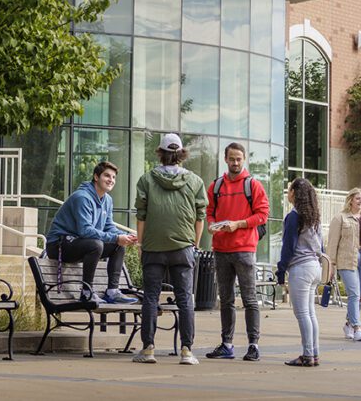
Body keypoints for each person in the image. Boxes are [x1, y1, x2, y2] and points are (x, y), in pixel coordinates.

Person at [132, 133, 207, 366]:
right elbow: (200, 216)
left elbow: (141, 215)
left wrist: (142, 244)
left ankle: (148, 349)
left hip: (154, 246)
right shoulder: (195, 181)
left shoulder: (146, 180)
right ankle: (186, 350)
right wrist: (194, 242)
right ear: (181, 154)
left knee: (151, 297)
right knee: (185, 298)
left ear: (161, 153)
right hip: (183, 246)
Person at [204, 142, 270, 362]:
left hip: (244, 249)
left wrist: (239, 224)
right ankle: (227, 344)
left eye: (238, 159)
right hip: (221, 249)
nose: (235, 162)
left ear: (244, 160)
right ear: (225, 159)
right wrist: (212, 224)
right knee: (226, 300)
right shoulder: (216, 186)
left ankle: (253, 345)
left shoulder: (254, 185)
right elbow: (210, 212)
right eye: (231, 158)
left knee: (250, 299)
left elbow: (262, 215)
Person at [45, 160, 137, 304]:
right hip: (59, 245)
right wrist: (116, 237)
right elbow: (85, 231)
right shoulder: (82, 197)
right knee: (96, 244)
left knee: (118, 245)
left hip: (80, 244)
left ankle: (112, 292)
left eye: (113, 177)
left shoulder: (107, 200)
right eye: (107, 176)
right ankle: (87, 292)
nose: (111, 180)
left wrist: (124, 236)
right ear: (96, 177)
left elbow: (108, 226)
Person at [326, 187, 361, 342]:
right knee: (354, 294)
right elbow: (332, 244)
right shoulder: (340, 218)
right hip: (346, 260)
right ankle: (357, 328)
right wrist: (330, 265)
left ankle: (348, 324)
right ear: (350, 200)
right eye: (358, 198)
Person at [277, 177, 323, 367]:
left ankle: (307, 355)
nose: (288, 193)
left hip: (301, 268)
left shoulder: (294, 216)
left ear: (294, 193)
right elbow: (322, 245)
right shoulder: (314, 216)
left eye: (289, 190)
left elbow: (288, 246)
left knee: (302, 313)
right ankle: (314, 353)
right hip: (314, 266)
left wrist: (281, 270)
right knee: (310, 313)